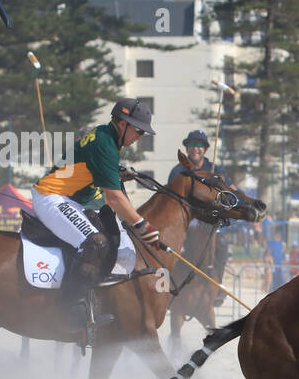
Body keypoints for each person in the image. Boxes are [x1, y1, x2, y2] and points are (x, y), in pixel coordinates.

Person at [31, 98, 160, 334]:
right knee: (96, 242)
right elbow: (114, 198)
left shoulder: (108, 138)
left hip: (71, 199)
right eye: (138, 130)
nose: (140, 137)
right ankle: (70, 307)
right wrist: (141, 224)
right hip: (52, 196)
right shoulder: (105, 143)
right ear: (122, 124)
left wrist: (117, 171)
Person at [168, 129, 229, 291]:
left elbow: (230, 193)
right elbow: (169, 199)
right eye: (192, 145)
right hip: (187, 221)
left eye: (200, 145)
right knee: (171, 247)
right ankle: (168, 284)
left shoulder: (216, 169)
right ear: (187, 148)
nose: (196, 148)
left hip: (210, 220)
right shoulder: (177, 171)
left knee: (222, 245)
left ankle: (219, 282)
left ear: (206, 149)